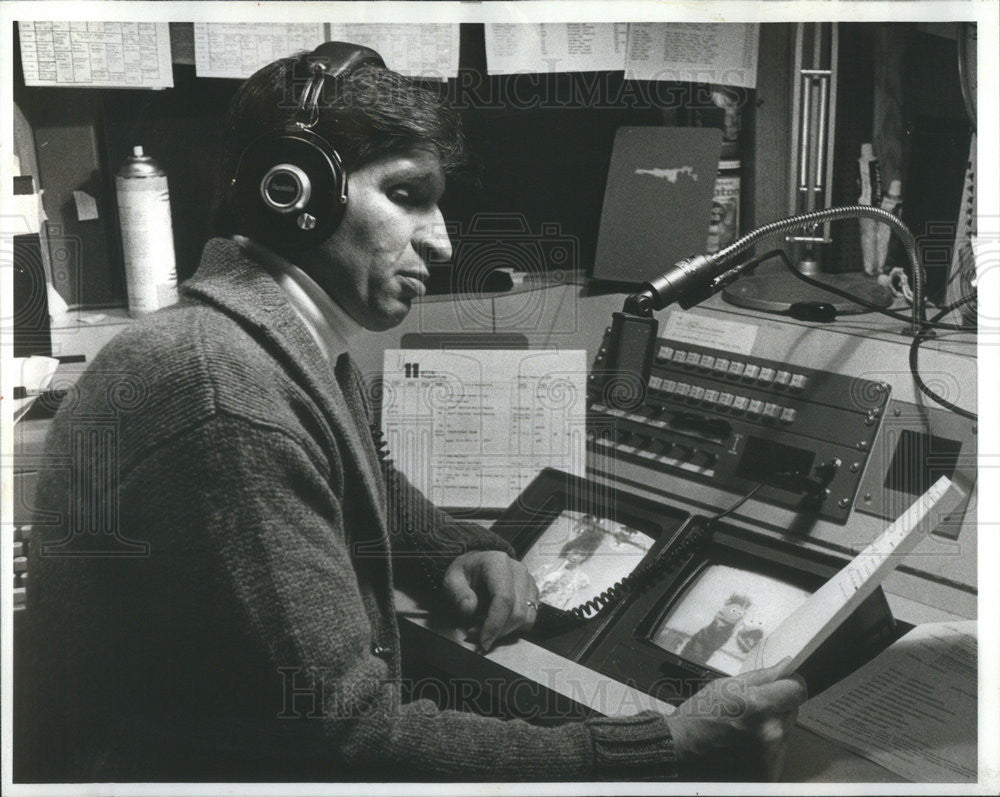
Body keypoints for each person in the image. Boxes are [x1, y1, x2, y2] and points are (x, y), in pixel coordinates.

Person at [24, 42, 806, 783]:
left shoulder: (266, 341)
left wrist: (448, 546)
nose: (439, 241)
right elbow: (349, 738)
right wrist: (660, 743)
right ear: (292, 190)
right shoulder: (226, 395)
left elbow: (363, 477)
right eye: (405, 196)